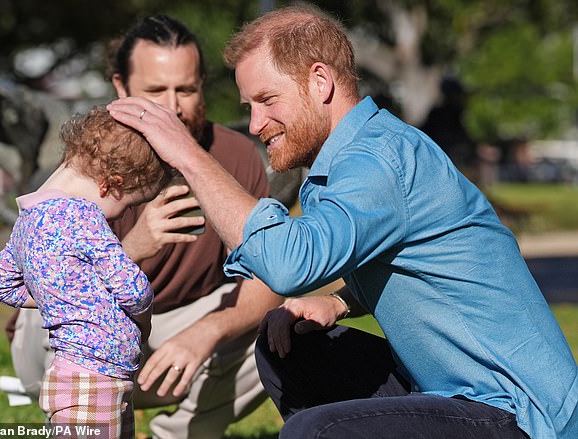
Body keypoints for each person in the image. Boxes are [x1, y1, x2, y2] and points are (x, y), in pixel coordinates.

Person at [107, 5, 578, 439]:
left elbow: (291, 265)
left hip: (519, 414)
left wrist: (188, 154)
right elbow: (413, 258)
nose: (254, 124)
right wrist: (341, 301)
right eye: (250, 106)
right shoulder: (359, 154)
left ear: (319, 81)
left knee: (316, 433)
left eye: (267, 99)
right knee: (288, 344)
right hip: (449, 390)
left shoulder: (377, 160)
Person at [7, 15, 282, 439]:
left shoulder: (237, 156)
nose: (172, 106)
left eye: (186, 89)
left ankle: (178, 434)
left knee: (275, 321)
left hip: (171, 333)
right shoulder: (88, 155)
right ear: (121, 87)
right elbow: (32, 273)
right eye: (156, 90)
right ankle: (78, 419)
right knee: (51, 295)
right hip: (65, 343)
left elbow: (272, 272)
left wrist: (205, 332)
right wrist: (132, 247)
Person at [0, 106, 172, 438]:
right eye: (129, 205)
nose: (119, 217)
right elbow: (134, 290)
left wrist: (62, 300)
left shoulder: (27, 220)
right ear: (110, 184)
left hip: (75, 375)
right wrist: (144, 321)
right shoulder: (83, 216)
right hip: (93, 380)